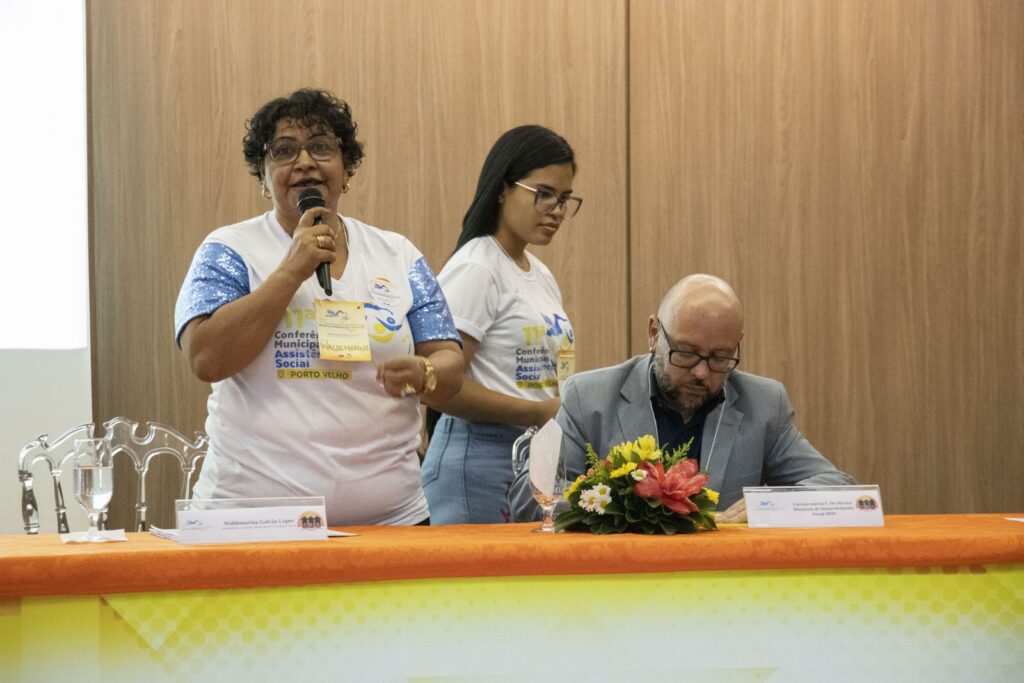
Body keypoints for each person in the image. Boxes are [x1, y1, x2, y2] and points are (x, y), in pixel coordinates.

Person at [174, 88, 463, 526]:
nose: (305, 162)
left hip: (392, 522)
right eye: (284, 151)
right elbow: (206, 358)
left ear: (346, 168)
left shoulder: (397, 254)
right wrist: (291, 270)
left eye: (322, 147)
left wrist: (426, 372)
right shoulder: (229, 249)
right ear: (263, 174)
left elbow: (450, 363)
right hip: (253, 524)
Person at [509, 274, 856, 524]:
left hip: (724, 586)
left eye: (720, 358)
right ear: (654, 334)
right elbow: (531, 500)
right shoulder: (590, 398)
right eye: (687, 353)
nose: (702, 372)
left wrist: (770, 506)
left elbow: (842, 489)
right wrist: (626, 505)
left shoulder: (764, 404)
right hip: (620, 584)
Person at [421, 125, 583, 524]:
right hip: (478, 456)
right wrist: (538, 412)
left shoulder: (540, 274)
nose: (556, 210)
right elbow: (439, 388)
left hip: (533, 452)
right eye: (543, 194)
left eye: (564, 199)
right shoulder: (477, 266)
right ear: (502, 189)